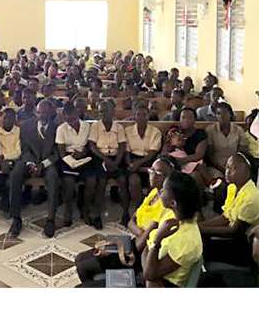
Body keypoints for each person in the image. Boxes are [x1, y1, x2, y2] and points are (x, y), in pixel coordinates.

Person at [74, 154, 180, 287]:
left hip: (140, 253)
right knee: (80, 258)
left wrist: (125, 243)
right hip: (133, 242)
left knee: (85, 266)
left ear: (168, 178)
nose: (151, 174)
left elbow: (144, 244)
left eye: (156, 172)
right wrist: (141, 233)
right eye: (151, 170)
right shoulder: (154, 193)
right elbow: (130, 222)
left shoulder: (166, 205)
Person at [8, 100, 61, 238]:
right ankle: (16, 219)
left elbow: (57, 153)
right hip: (29, 161)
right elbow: (24, 149)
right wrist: (31, 163)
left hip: (47, 163)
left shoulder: (57, 127)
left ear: (51, 113)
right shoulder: (26, 126)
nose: (41, 115)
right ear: (35, 112)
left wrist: (43, 164)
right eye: (38, 112)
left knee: (53, 177)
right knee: (16, 175)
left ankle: (50, 220)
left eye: (44, 112)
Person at [141, 171, 203, 287]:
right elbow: (146, 247)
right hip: (148, 264)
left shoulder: (187, 241)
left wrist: (157, 239)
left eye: (164, 191)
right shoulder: (171, 213)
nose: (161, 192)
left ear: (173, 203)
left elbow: (150, 275)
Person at [198, 153, 259, 267]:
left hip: (244, 244)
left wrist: (201, 229)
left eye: (233, 168)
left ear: (248, 171)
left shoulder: (252, 197)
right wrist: (199, 226)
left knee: (203, 247)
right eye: (227, 167)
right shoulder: (232, 187)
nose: (228, 171)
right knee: (199, 237)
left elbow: (234, 231)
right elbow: (225, 217)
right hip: (231, 234)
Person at [203, 102, 250, 211]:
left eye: (225, 113)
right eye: (219, 114)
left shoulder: (238, 130)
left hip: (234, 165)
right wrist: (223, 169)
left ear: (230, 114)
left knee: (239, 181)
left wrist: (232, 168)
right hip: (216, 166)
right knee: (221, 186)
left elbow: (242, 152)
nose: (222, 116)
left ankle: (237, 209)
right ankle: (219, 211)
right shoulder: (211, 130)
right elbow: (209, 155)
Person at [89, 99, 129, 226]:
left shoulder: (119, 127)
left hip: (116, 158)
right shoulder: (95, 126)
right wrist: (106, 160)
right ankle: (97, 214)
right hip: (100, 158)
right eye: (100, 112)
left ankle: (126, 212)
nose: (102, 114)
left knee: (122, 180)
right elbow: (92, 146)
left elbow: (122, 145)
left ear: (112, 112)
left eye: (105, 111)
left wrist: (116, 162)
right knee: (101, 181)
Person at [56, 103, 97, 228]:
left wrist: (82, 153)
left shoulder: (86, 126)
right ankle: (68, 210)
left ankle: (85, 209)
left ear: (77, 114)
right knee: (68, 182)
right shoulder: (61, 129)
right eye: (68, 120)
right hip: (68, 158)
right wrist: (72, 158)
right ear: (64, 118)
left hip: (84, 157)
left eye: (73, 118)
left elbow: (89, 145)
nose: (72, 122)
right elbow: (62, 152)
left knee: (91, 181)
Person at [125, 104, 163, 208]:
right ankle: (138, 209)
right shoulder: (128, 131)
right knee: (134, 181)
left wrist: (138, 164)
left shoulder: (155, 132)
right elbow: (126, 152)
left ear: (148, 116)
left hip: (149, 160)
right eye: (138, 114)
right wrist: (131, 164)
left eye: (144, 114)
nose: (141, 117)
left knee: (154, 179)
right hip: (132, 159)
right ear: (134, 116)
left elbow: (153, 152)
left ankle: (151, 207)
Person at [164, 108, 208, 183]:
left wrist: (181, 161)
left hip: (192, 163)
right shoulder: (176, 132)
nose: (186, 120)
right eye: (183, 117)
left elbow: (199, 155)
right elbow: (166, 148)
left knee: (195, 176)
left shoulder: (200, 134)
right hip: (175, 162)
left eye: (189, 117)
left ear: (195, 120)